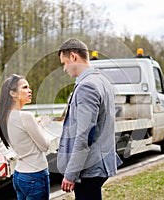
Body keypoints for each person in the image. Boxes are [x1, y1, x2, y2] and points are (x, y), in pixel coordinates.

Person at [57, 38, 122, 200]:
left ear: (73, 57)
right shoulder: (101, 80)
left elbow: (84, 135)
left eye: (64, 63)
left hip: (89, 167)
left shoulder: (87, 86)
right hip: (98, 161)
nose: (64, 69)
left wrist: (71, 174)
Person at [0, 74, 50, 200]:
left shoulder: (4, 118)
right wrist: (43, 127)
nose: (30, 90)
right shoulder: (26, 117)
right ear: (13, 94)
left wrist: (35, 125)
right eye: (25, 87)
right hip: (35, 175)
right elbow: (45, 146)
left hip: (19, 175)